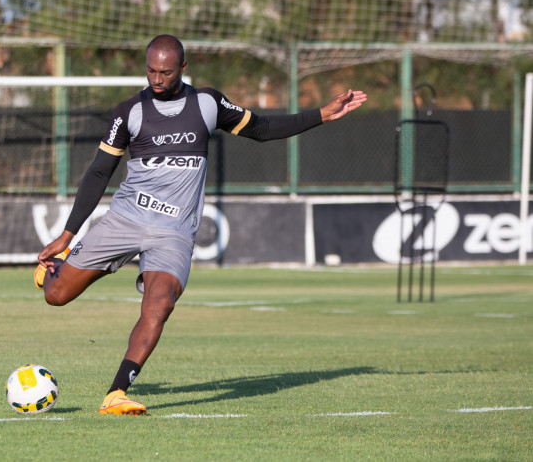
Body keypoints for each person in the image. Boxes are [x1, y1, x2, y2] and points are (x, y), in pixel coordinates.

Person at [35, 34, 367, 415]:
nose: (156, 80)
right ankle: (55, 271)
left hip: (174, 232)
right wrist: (67, 234)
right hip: (126, 219)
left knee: (159, 305)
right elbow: (98, 172)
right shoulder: (130, 111)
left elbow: (260, 128)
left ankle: (116, 393)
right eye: (150, 71)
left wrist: (322, 114)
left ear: (183, 68)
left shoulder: (207, 103)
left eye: (165, 72)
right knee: (56, 296)